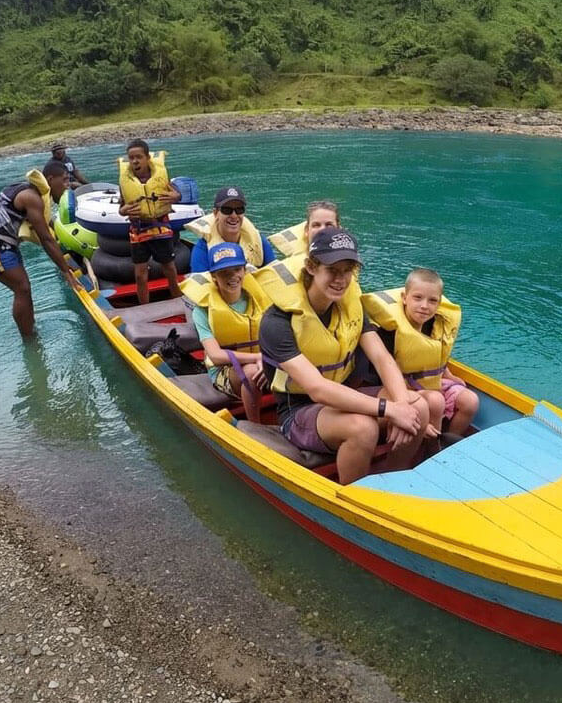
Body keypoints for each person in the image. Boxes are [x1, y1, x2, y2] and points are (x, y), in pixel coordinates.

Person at [257, 228, 430, 484]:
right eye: (333, 270)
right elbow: (317, 389)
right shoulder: (278, 321)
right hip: (299, 410)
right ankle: (353, 497)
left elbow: (382, 358)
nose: (341, 279)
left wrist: (402, 404)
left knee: (419, 407)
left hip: (344, 395)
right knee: (363, 429)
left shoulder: (351, 306)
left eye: (347, 270)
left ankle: (394, 480)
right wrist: (389, 409)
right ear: (312, 267)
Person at [362, 268, 479, 436]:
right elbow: (385, 371)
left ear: (439, 304)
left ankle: (448, 442)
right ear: (404, 298)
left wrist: (449, 375)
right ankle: (431, 449)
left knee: (471, 401)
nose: (424, 306)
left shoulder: (436, 325)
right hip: (399, 387)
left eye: (432, 301)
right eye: (418, 298)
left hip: (431, 382)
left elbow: (437, 357)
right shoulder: (390, 331)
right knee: (436, 401)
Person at [0, 160, 78, 338]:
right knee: (22, 288)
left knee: (23, 288)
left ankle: (30, 327)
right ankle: (29, 340)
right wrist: (66, 271)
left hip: (3, 243)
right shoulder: (31, 197)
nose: (67, 186)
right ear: (50, 179)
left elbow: (49, 226)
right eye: (64, 180)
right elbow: (46, 239)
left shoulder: (35, 194)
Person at [182, 242, 267, 423]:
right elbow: (216, 356)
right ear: (214, 277)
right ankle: (255, 427)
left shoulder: (260, 299)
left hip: (264, 359)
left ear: (244, 271)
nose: (233, 276)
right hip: (225, 371)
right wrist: (258, 358)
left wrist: (268, 359)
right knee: (251, 372)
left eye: (237, 269)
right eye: (224, 272)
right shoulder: (202, 311)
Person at [117, 139, 182, 304]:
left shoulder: (160, 176)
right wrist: (123, 211)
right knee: (140, 274)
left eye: (139, 157)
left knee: (169, 268)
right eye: (131, 158)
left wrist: (176, 196)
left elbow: (177, 194)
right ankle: (144, 307)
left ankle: (178, 300)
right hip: (138, 231)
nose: (135, 161)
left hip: (160, 228)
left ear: (147, 158)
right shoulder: (125, 181)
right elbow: (121, 207)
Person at [188, 186, 277, 272]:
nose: (234, 215)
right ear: (215, 213)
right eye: (227, 210)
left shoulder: (258, 241)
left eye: (239, 210)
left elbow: (274, 273)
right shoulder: (203, 249)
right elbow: (202, 284)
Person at [268, 199, 339, 258]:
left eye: (329, 225)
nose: (322, 230)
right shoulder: (289, 267)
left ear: (338, 230)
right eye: (316, 225)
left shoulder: (349, 265)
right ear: (306, 231)